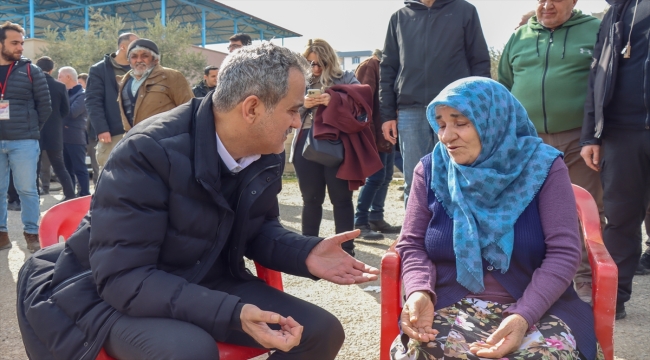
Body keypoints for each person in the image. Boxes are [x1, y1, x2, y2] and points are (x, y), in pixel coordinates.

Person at [17, 42, 379, 360]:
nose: (297, 123)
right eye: (292, 110)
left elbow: (257, 229)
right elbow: (123, 277)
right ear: (251, 108)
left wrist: (305, 253)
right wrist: (232, 312)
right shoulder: (147, 151)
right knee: (188, 351)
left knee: (321, 331)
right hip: (109, 290)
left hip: (200, 278)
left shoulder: (263, 150)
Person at [390, 77, 600, 360]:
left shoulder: (544, 166)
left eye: (461, 123)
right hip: (452, 301)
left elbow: (563, 253)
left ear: (494, 121)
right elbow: (412, 244)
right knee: (421, 351)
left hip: (538, 307)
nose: (446, 136)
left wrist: (523, 315)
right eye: (441, 124)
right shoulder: (432, 169)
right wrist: (419, 292)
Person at [498, 0, 601, 304]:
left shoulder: (595, 31)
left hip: (578, 139)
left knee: (584, 209)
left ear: (573, 2)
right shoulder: (519, 37)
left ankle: (585, 279)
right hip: (527, 143)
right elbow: (503, 86)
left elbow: (606, 84)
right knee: (523, 211)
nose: (547, 5)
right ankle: (529, 278)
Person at [379, 0, 491, 206]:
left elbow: (480, 62)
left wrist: (478, 109)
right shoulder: (399, 17)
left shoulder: (465, 11)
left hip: (456, 109)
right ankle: (416, 237)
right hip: (410, 112)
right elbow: (388, 68)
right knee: (415, 182)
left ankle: (457, 236)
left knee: (460, 178)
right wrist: (387, 115)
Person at [580, 0, 650, 320]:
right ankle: (612, 299)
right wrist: (591, 135)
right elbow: (597, 76)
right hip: (621, 134)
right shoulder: (614, 13)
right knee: (620, 219)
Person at [289, 38, 370, 256]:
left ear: (329, 61)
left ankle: (346, 250)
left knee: (342, 199)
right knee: (311, 199)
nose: (314, 68)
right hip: (305, 142)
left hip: (337, 143)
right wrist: (303, 105)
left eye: (319, 63)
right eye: (310, 63)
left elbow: (361, 102)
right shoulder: (299, 81)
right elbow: (285, 111)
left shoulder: (345, 77)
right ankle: (308, 249)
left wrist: (333, 100)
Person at [0, 22, 51, 252]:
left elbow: (45, 107)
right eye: (14, 43)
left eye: (21, 42)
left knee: (27, 189)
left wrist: (30, 130)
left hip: (24, 141)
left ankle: (32, 232)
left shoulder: (32, 70)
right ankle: (2, 235)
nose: (20, 47)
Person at [353, 49, 401, 240]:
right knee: (375, 177)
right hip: (375, 132)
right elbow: (363, 102)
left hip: (387, 132)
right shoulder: (371, 65)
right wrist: (370, 133)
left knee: (386, 175)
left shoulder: (388, 66)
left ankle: (376, 217)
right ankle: (360, 221)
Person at [86, 32, 138, 170]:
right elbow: (93, 101)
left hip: (140, 131)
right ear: (123, 47)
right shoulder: (99, 69)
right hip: (113, 134)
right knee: (111, 177)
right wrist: (102, 129)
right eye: (134, 46)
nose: (139, 50)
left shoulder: (141, 68)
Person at [118, 38, 193, 132]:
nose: (139, 60)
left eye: (144, 56)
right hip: (134, 140)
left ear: (155, 59)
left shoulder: (171, 76)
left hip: (165, 139)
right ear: (129, 60)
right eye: (134, 56)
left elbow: (189, 109)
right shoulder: (124, 80)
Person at [35, 56, 75, 200]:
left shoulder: (32, 84)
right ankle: (70, 195)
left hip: (35, 130)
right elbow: (66, 110)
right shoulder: (60, 86)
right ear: (51, 70)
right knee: (59, 166)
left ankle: (35, 196)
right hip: (55, 132)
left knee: (34, 166)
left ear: (37, 68)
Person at [58, 66, 90, 197]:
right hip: (62, 137)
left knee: (80, 169)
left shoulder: (82, 94)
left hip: (75, 138)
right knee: (66, 169)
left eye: (60, 76)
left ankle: (84, 195)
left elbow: (72, 113)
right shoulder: (66, 93)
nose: (57, 79)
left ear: (68, 77)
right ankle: (69, 196)